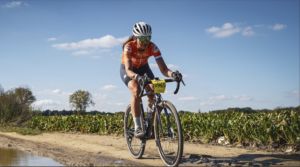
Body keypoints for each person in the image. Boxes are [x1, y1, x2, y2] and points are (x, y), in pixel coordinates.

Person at [120, 22, 182, 137]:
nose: (145, 41)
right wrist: (136, 77)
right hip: (129, 70)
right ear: (135, 37)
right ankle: (138, 127)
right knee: (136, 90)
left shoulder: (153, 47)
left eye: (148, 37)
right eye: (142, 38)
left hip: (144, 69)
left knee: (153, 92)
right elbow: (128, 70)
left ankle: (149, 121)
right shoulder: (129, 47)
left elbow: (164, 69)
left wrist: (173, 74)